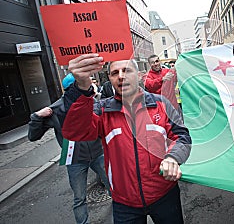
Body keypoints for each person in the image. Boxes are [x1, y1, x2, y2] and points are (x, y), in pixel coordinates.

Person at [61, 54, 191, 223]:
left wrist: (173, 157)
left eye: (126, 70)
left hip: (164, 195)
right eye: (115, 73)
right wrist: (81, 88)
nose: (121, 76)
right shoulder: (102, 110)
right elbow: (75, 132)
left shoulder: (162, 104)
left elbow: (182, 137)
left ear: (138, 75)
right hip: (125, 204)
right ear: (109, 79)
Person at [28, 73, 110, 224]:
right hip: (75, 160)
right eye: (84, 84)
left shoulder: (94, 102)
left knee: (114, 187)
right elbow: (33, 136)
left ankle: (120, 218)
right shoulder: (56, 109)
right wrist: (37, 117)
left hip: (99, 154)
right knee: (79, 198)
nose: (89, 86)